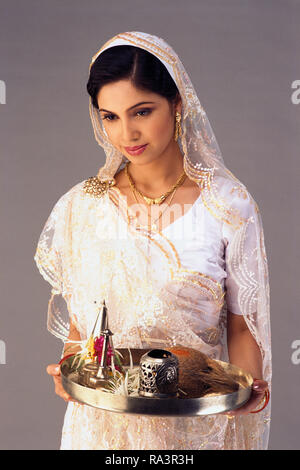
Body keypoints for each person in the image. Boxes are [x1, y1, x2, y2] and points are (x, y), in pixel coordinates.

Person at [34, 31, 271, 450]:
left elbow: (240, 322)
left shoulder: (228, 206)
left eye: (142, 111)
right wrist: (69, 373)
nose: (127, 133)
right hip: (101, 429)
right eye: (110, 116)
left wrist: (247, 388)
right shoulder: (83, 206)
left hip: (194, 430)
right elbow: (83, 323)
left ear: (177, 104)